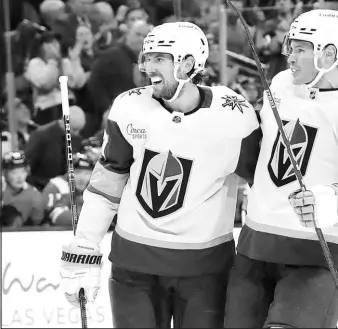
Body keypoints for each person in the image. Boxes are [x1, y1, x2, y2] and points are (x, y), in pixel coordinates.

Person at [59, 21, 260, 328]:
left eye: (160, 59)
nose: (148, 66)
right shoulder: (129, 107)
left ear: (189, 63)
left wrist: (258, 256)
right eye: (147, 57)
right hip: (133, 267)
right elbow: (108, 182)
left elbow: (262, 186)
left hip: (206, 272)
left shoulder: (234, 114)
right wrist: (85, 246)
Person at [224, 9, 338, 328]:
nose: (290, 57)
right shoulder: (279, 86)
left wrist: (335, 203)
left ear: (330, 54)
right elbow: (265, 159)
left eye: (301, 49)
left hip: (318, 258)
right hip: (254, 249)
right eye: (290, 47)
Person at [25, 105, 86, 190]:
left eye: (79, 130)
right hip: (42, 186)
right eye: (74, 129)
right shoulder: (41, 135)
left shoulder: (77, 138)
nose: (76, 133)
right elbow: (28, 165)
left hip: (68, 188)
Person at [42, 152, 95, 226]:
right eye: (77, 172)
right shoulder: (56, 185)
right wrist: (95, 221)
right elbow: (56, 216)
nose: (82, 178)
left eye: (87, 173)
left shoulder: (95, 186)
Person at [1, 151, 45, 226]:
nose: (19, 177)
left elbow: (36, 228)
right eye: (14, 172)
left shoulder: (35, 196)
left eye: (23, 171)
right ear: (5, 173)